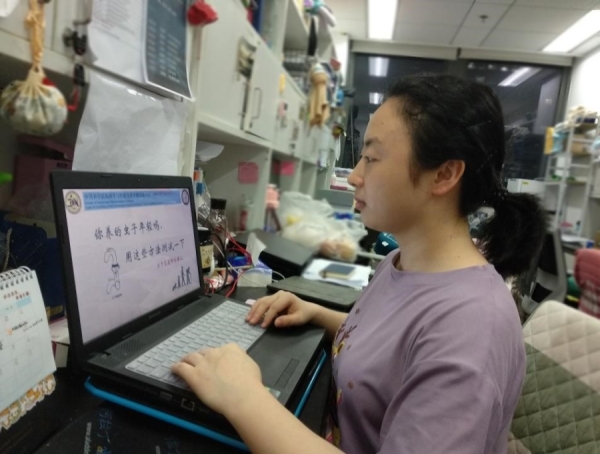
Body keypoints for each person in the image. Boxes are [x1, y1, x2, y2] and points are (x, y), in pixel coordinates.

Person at [172, 74, 547, 454]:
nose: (353, 176)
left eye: (371, 158)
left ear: (444, 174)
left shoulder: (472, 327)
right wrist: (316, 313)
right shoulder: (399, 263)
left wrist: (244, 398)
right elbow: (396, 350)